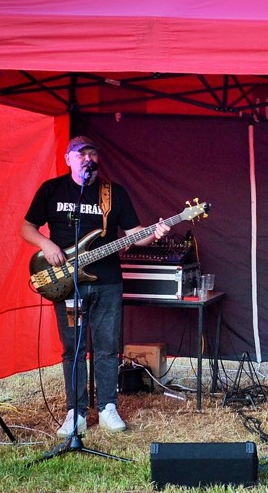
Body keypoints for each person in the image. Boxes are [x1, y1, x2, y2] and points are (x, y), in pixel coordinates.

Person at [22, 135, 169, 437]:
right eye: (81, 154)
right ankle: (75, 412)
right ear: (68, 159)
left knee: (107, 347)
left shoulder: (113, 193)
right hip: (67, 284)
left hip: (107, 283)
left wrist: (155, 232)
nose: (88, 158)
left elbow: (135, 233)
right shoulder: (52, 190)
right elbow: (27, 227)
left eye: (92, 154)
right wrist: (46, 244)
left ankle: (107, 407)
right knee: (73, 349)